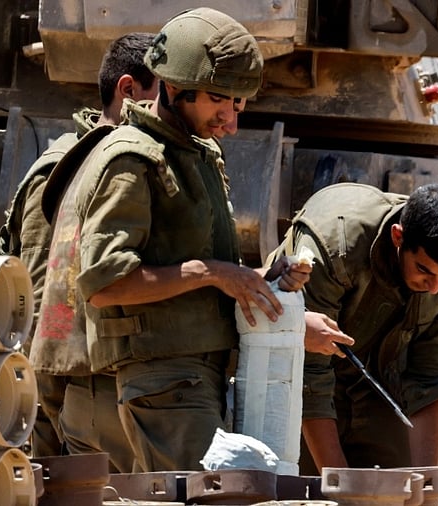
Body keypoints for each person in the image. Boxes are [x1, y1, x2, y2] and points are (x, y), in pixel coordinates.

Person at [68, 7, 309, 472]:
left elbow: (197, 275)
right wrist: (214, 272)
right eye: (220, 101)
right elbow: (103, 284)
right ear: (175, 87)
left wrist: (259, 278)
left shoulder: (194, 155)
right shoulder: (132, 158)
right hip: (166, 380)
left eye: (239, 105)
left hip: (198, 376)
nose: (231, 121)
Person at [0, 32, 158, 462]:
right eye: (163, 93)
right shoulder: (65, 168)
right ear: (128, 91)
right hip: (67, 398)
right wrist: (44, 425)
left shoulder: (132, 166)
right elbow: (36, 308)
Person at [268, 182, 438, 473]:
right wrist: (342, 489)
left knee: (398, 491)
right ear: (398, 237)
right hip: (289, 381)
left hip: (379, 384)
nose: (434, 288)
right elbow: (309, 374)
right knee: (297, 489)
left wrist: (425, 487)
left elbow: (432, 374)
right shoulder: (336, 242)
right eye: (423, 270)